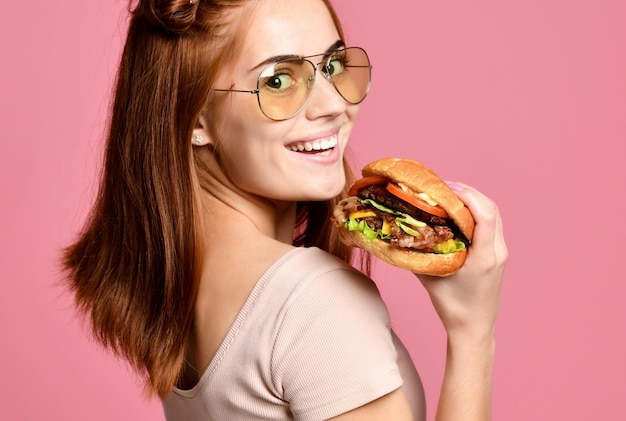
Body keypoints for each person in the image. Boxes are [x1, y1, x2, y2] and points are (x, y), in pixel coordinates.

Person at [63, 0, 507, 419]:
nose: (335, 104)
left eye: (333, 66)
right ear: (195, 116)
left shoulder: (171, 285)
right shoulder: (314, 300)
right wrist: (472, 334)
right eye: (278, 80)